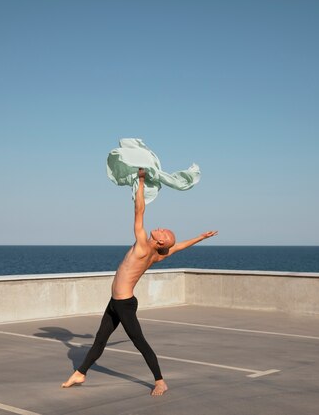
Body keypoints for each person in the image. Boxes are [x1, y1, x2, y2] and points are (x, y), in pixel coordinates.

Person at [62, 168, 217, 396]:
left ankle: (160, 381)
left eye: (164, 232)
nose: (161, 228)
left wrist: (142, 181)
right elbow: (179, 246)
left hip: (124, 304)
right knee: (100, 340)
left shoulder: (145, 246)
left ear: (159, 241)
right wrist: (200, 237)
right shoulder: (159, 252)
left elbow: (139, 210)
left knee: (139, 341)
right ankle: (81, 373)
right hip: (116, 302)